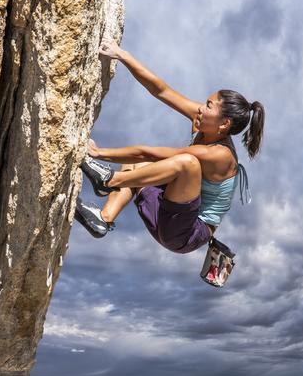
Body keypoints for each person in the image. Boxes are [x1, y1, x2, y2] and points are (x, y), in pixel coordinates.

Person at [74, 39, 265, 254]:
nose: (200, 108)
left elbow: (153, 154)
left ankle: (109, 181)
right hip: (167, 211)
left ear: (224, 123)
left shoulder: (221, 156)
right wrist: (122, 55)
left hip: (187, 233)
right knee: (138, 164)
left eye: (208, 106)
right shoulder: (203, 122)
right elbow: (161, 90)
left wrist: (99, 154)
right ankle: (103, 219)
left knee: (187, 164)